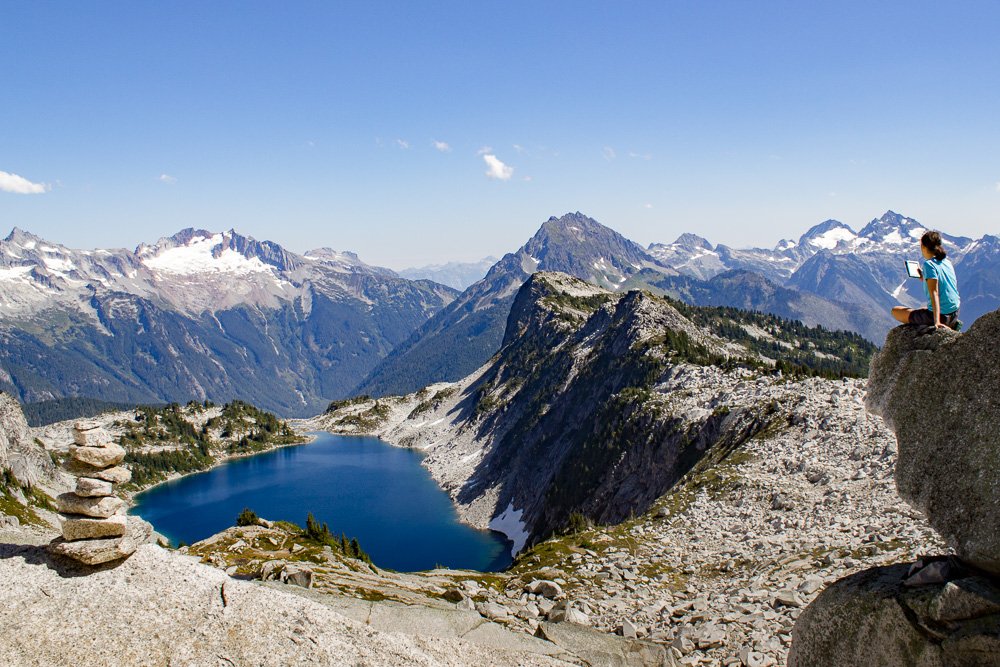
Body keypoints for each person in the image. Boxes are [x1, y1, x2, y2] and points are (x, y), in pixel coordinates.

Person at [891, 230, 961, 330]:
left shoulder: (928, 265)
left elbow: (934, 292)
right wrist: (924, 277)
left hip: (941, 317)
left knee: (895, 311)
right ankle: (950, 322)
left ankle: (933, 322)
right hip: (955, 313)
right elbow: (945, 284)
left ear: (923, 247)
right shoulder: (947, 262)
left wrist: (936, 321)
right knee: (921, 309)